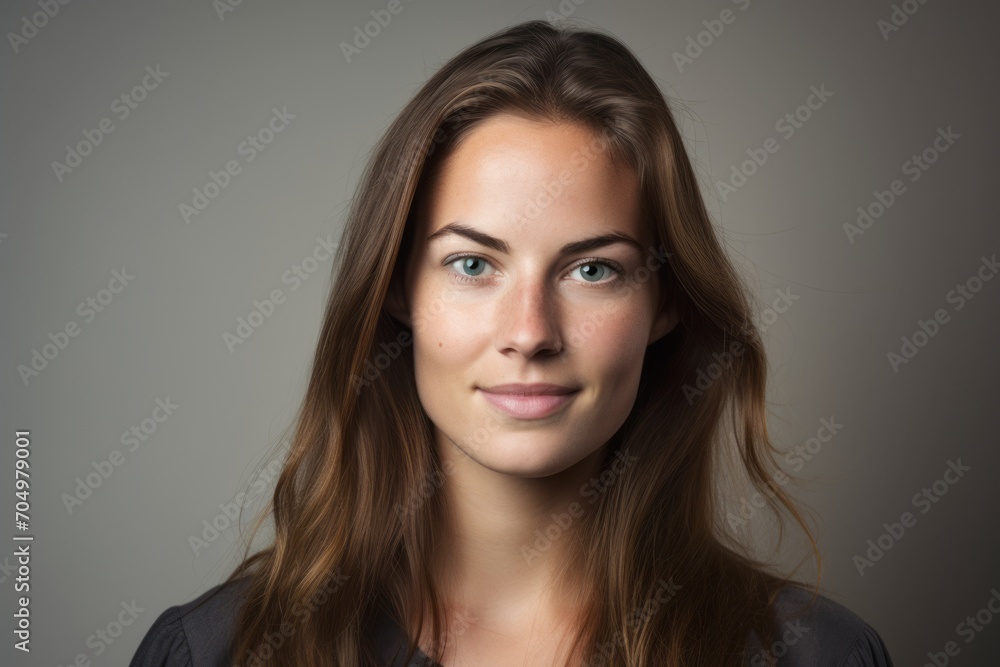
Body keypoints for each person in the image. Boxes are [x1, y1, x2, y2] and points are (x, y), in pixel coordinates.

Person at [130, 19, 894, 667]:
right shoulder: (220, 650)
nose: (530, 332)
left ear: (667, 301)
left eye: (593, 269)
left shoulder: (813, 654)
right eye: (473, 264)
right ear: (398, 292)